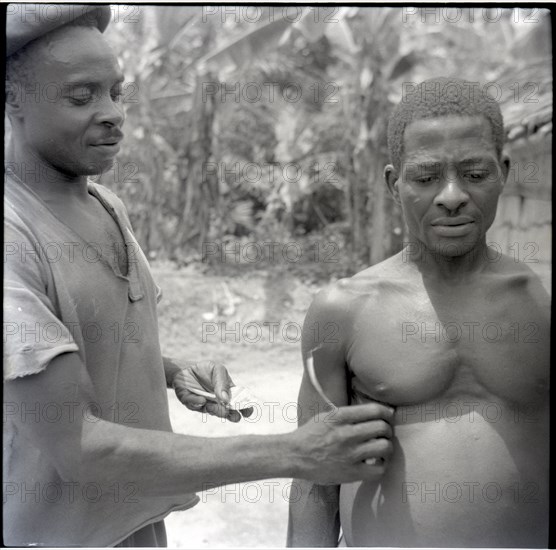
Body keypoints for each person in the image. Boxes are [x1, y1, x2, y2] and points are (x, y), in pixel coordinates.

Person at [3, 5, 394, 546]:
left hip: (135, 521)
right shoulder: (13, 234)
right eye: (81, 96)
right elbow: (79, 446)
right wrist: (295, 452)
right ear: (12, 100)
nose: (113, 112)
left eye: (117, 92)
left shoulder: (105, 204)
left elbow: (77, 335)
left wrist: (168, 370)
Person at [287, 77, 549, 547]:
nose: (452, 196)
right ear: (395, 182)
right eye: (427, 178)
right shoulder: (343, 311)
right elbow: (313, 482)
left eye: (475, 174)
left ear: (504, 172)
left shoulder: (541, 305)